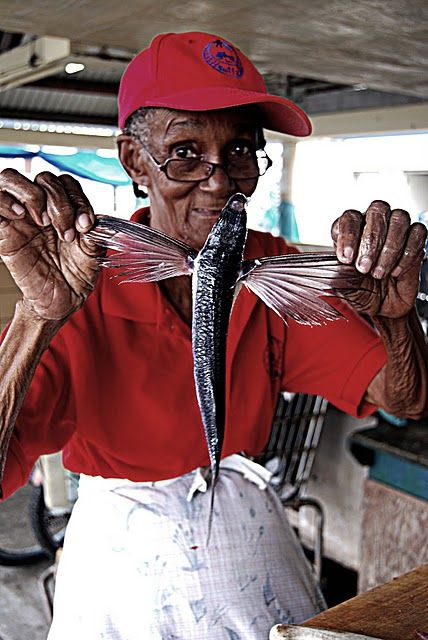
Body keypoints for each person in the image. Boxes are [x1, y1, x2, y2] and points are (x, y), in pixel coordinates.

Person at [0, 31, 427, 640]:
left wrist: (395, 317)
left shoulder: (270, 272)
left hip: (242, 510)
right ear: (132, 160)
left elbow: (406, 399)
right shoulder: (83, 285)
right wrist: (37, 316)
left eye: (241, 151)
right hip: (120, 543)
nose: (220, 180)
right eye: (184, 153)